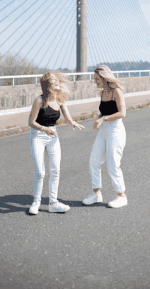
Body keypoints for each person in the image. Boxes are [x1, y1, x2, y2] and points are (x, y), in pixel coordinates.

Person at [28, 72, 84, 215]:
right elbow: (31, 122)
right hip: (38, 135)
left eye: (57, 81)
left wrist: (72, 123)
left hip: (53, 136)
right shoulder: (39, 101)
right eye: (54, 81)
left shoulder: (60, 99)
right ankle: (36, 202)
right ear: (47, 86)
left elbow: (67, 118)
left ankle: (53, 203)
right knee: (40, 172)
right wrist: (45, 129)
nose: (58, 83)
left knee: (55, 170)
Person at [82, 65, 127, 208]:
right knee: (94, 161)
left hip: (116, 131)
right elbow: (103, 112)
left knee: (113, 164)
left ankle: (121, 196)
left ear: (104, 78)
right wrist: (98, 118)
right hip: (103, 131)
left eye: (96, 79)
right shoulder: (102, 93)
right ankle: (96, 194)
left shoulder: (116, 91)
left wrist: (104, 119)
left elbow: (122, 113)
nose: (94, 81)